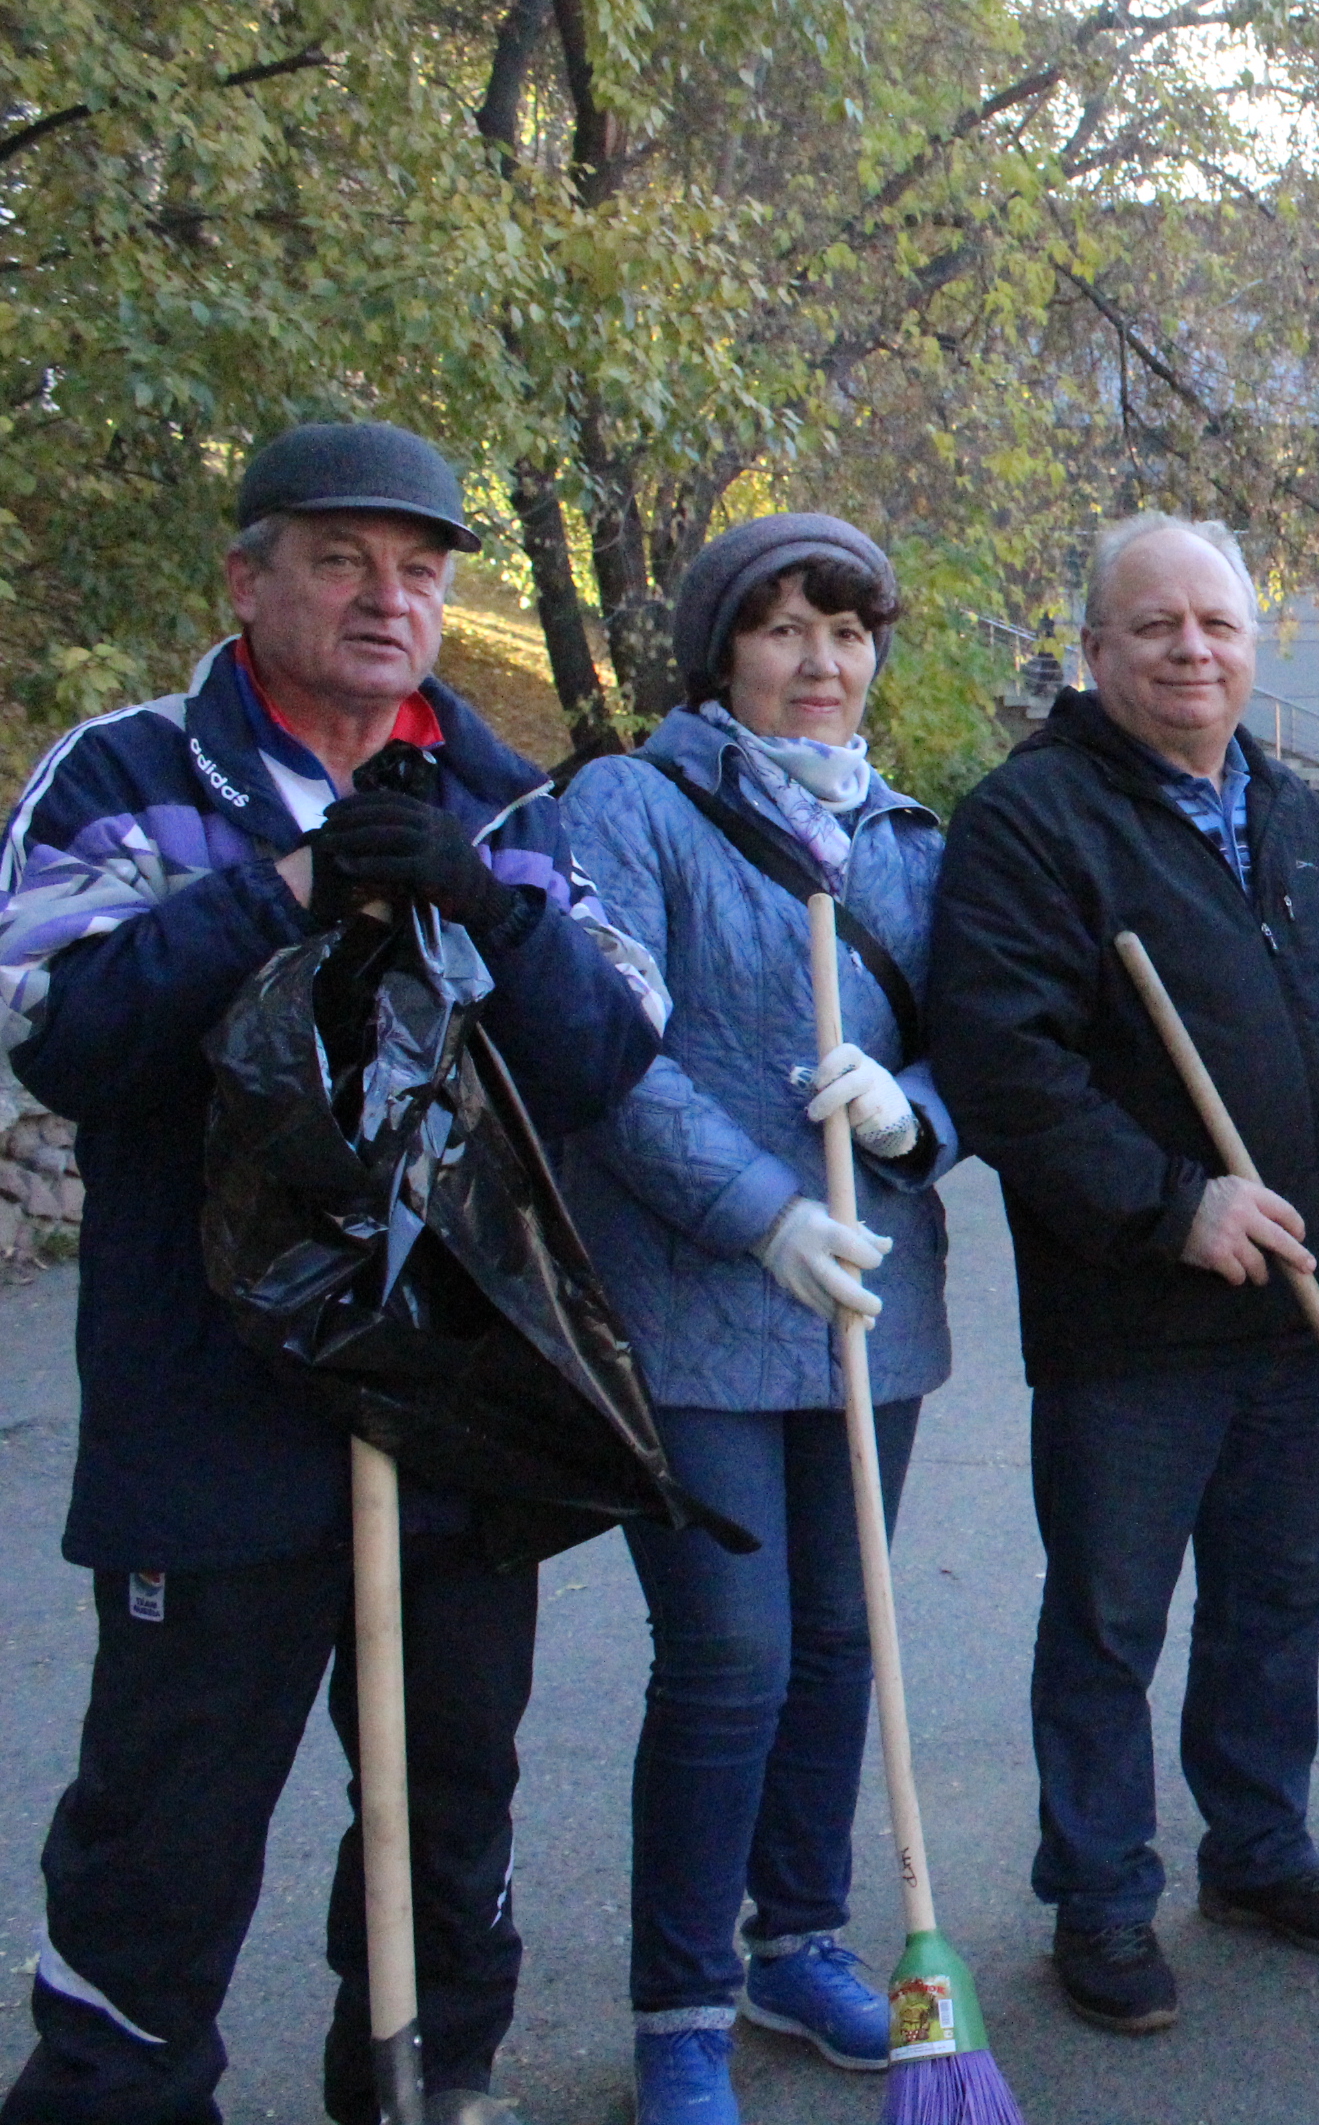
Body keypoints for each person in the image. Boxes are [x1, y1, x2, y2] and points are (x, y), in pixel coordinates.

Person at [0, 423, 665, 2125]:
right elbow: (60, 1037)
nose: (390, 600)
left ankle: (430, 2085)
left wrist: (487, 908)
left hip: (456, 1416)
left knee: (451, 1811)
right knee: (165, 1824)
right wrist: (285, 893)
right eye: (341, 562)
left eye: (422, 572)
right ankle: (114, 2100)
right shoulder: (126, 772)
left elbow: (606, 1059)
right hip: (208, 1421)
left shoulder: (506, 800)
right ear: (248, 580)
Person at [929, 513, 1319, 2038]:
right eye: (1156, 627)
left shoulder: (1304, 817)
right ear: (1095, 650)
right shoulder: (1033, 821)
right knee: (1113, 1617)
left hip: (1300, 1302)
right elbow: (1002, 1065)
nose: (1191, 650)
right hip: (1133, 1313)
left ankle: (1258, 1851)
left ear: (1252, 648)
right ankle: (1101, 1894)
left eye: (1216, 625)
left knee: (1280, 1594)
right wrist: (1172, 1206)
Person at [560, 516, 965, 2124]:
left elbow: (983, 1039)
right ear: (723, 648)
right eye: (787, 629)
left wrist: (912, 1111)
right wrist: (760, 1210)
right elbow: (600, 1051)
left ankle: (800, 1945)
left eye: (850, 632)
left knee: (845, 1637)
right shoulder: (634, 805)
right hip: (695, 1300)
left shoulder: (909, 837)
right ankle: (681, 2012)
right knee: (732, 1656)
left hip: (877, 1300)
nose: (822, 662)